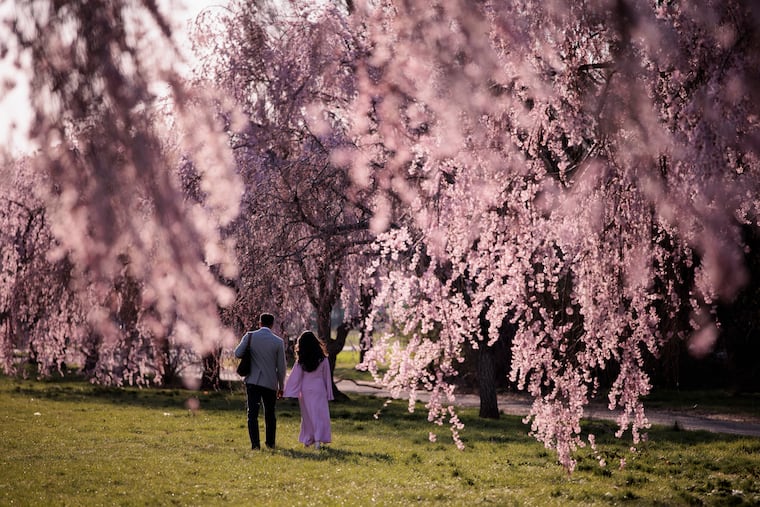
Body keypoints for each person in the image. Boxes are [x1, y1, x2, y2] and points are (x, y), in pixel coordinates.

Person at [234, 313, 286, 450]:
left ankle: (255, 445)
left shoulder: (250, 336)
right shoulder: (278, 342)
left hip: (253, 380)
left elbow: (237, 353)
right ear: (272, 324)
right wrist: (281, 386)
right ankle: (270, 443)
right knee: (270, 413)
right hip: (270, 382)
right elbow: (281, 367)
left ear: (259, 323)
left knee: (252, 414)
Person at [283, 331, 334, 449]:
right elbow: (327, 377)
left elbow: (295, 377)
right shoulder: (323, 359)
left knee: (308, 415)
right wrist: (329, 393)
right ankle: (317, 440)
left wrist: (288, 391)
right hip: (319, 389)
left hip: (305, 390)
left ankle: (308, 439)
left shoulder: (301, 360)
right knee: (320, 415)